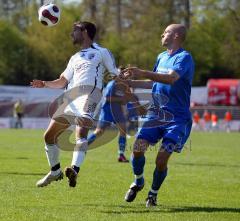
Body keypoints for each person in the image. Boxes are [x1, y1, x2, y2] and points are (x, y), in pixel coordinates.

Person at [30, 21, 119, 188]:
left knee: (81, 131)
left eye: (75, 30)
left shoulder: (101, 52)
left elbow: (115, 72)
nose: (72, 34)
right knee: (48, 137)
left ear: (84, 32)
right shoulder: (75, 57)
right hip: (70, 98)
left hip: (90, 95)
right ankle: (55, 171)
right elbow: (62, 81)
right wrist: (44, 83)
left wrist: (127, 77)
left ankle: (74, 169)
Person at [121, 24, 194, 207]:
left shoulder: (184, 58)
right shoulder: (161, 57)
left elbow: (170, 78)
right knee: (137, 148)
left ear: (176, 36)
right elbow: (154, 82)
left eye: (167, 32)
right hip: (155, 114)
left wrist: (143, 72)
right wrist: (132, 81)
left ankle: (152, 194)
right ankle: (138, 181)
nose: (162, 34)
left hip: (176, 118)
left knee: (161, 159)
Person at [87, 79, 144, 162]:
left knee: (123, 130)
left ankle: (121, 155)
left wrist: (128, 103)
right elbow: (107, 98)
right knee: (99, 131)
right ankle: (83, 146)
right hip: (108, 110)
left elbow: (126, 98)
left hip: (118, 111)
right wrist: (121, 99)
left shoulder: (125, 86)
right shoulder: (112, 84)